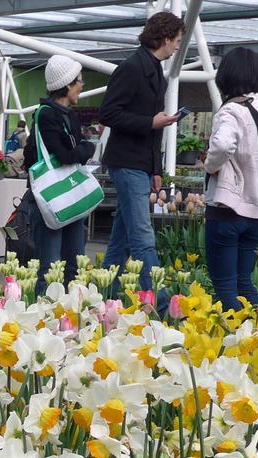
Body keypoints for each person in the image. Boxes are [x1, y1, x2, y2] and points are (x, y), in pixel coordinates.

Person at [99, 11, 184, 303]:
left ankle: (103, 297)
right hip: (126, 162)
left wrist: (156, 168)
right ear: (164, 38)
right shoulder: (132, 68)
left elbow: (154, 121)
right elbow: (108, 113)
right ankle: (162, 305)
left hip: (137, 163)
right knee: (142, 237)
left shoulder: (153, 68)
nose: (177, 47)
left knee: (121, 240)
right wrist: (150, 122)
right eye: (176, 40)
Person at [204, 47, 258, 311]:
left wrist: (211, 166)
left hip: (226, 208)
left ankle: (233, 339)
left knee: (225, 286)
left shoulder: (231, 111)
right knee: (244, 282)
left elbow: (221, 146)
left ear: (225, 77)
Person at [23, 55, 96, 295]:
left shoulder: (67, 114)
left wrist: (80, 149)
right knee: (51, 267)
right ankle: (45, 316)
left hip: (69, 196)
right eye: (79, 82)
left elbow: (72, 150)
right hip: (52, 199)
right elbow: (65, 155)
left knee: (74, 264)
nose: (81, 86)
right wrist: (86, 148)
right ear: (67, 84)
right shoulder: (46, 114)